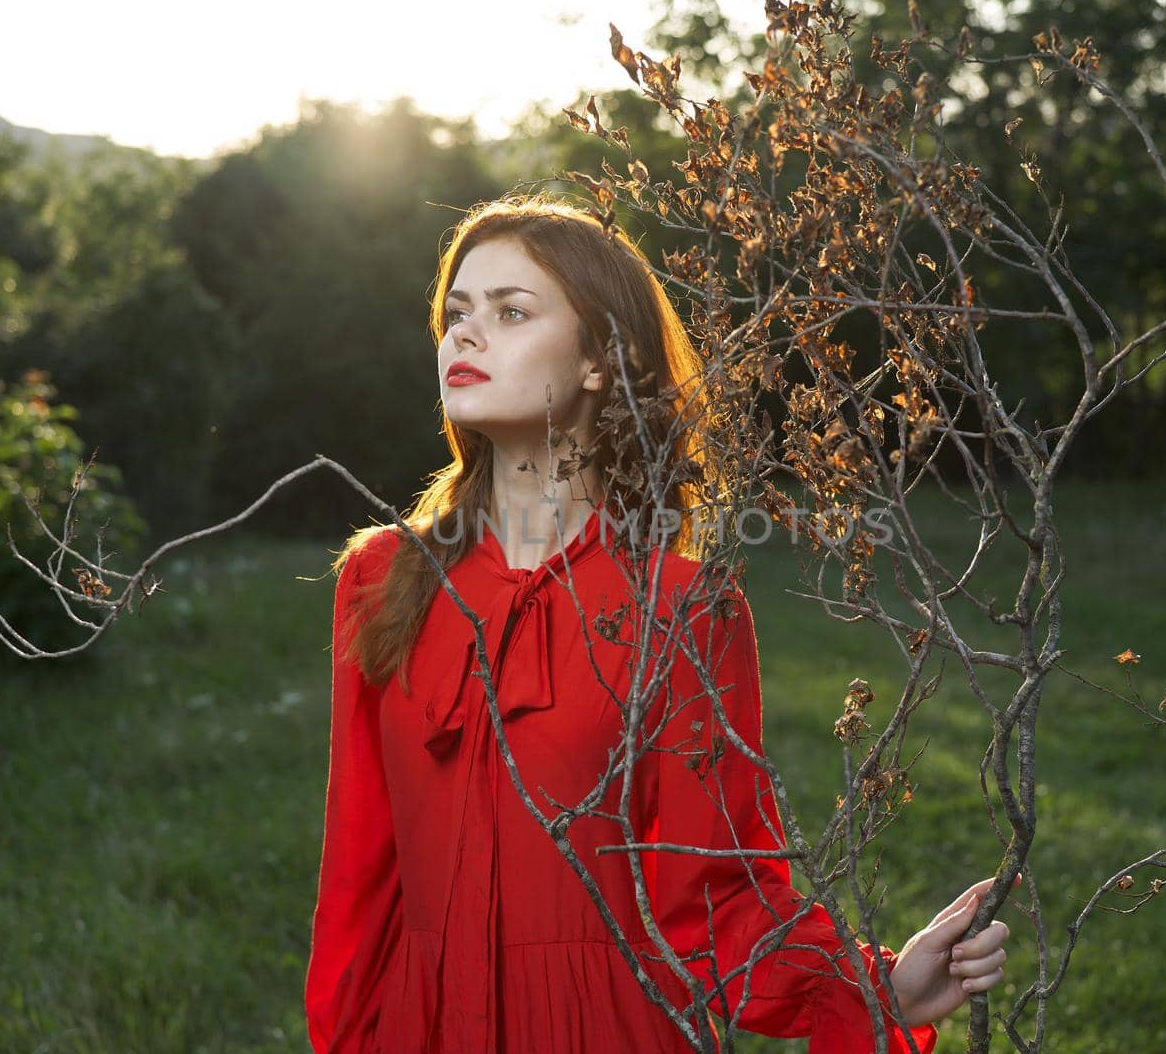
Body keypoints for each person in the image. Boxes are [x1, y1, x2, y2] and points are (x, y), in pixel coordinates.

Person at [303, 194, 1012, 1053]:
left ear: (603, 359)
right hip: (416, 1027)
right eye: (456, 314)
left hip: (604, 1029)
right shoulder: (386, 579)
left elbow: (711, 895)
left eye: (510, 311)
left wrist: (876, 989)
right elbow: (358, 873)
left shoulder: (684, 607)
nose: (465, 334)